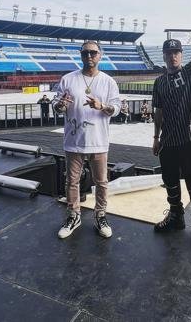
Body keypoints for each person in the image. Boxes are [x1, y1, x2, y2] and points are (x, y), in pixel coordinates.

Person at [152, 0, 191, 252]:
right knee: (170, 180)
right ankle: (176, 216)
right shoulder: (159, 82)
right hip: (168, 140)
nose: (172, 56)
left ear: (181, 54)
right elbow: (158, 111)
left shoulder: (189, 73)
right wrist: (156, 137)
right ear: (164, 56)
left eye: (176, 52)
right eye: (169, 53)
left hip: (190, 140)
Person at [53, 41, 121, 240]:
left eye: (93, 52)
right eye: (85, 53)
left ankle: (100, 215)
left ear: (100, 55)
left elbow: (116, 108)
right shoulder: (68, 79)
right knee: (71, 181)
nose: (89, 56)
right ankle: (74, 215)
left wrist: (102, 106)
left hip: (98, 140)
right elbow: (57, 106)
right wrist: (61, 106)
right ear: (80, 55)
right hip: (74, 140)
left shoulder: (108, 81)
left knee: (101, 182)